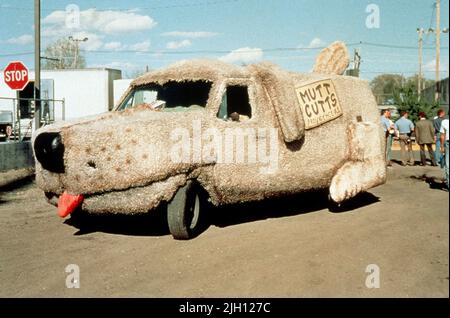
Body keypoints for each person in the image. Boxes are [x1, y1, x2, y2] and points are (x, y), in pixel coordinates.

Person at [440, 114, 449, 189]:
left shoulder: (444, 122)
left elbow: (442, 136)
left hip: (448, 143)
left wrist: (442, 147)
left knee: (448, 164)